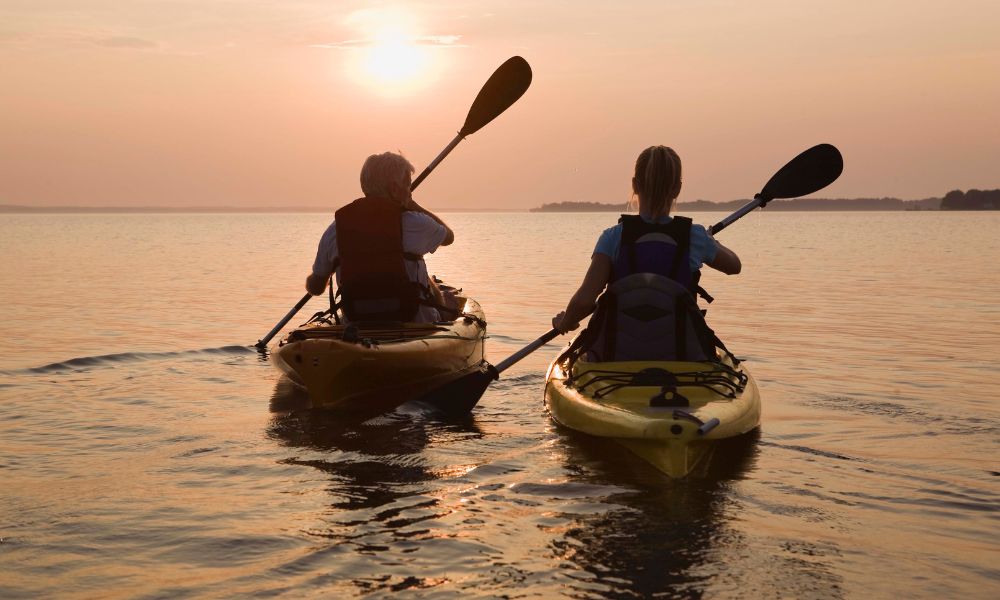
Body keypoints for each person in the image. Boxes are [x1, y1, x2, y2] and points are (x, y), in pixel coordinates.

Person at [551, 145, 741, 362]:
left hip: (616, 355)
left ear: (635, 185)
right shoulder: (695, 237)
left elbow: (584, 301)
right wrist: (711, 242)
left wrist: (566, 322)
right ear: (677, 189)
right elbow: (734, 266)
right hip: (680, 355)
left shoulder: (613, 237)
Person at [305, 151, 455, 323]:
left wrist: (326, 270)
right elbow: (448, 237)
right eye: (408, 185)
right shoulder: (417, 223)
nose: (410, 192)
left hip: (357, 326)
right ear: (394, 188)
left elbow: (315, 288)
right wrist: (414, 206)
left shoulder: (336, 230)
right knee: (442, 295)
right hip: (415, 326)